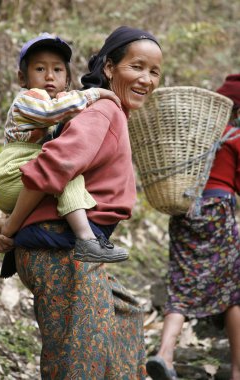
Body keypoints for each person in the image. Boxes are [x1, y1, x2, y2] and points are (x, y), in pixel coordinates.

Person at [0, 25, 163, 379]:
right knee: (78, 360)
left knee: (123, 318)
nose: (146, 79)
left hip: (68, 246)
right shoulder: (103, 111)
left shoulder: (107, 113)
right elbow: (49, 168)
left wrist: (10, 222)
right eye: (137, 66)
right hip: (60, 251)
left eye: (154, 71)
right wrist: (11, 226)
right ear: (110, 68)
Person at [0, 32, 128, 264]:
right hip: (11, 171)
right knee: (65, 171)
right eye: (39, 69)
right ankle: (86, 239)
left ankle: (18, 228)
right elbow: (51, 111)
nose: (49, 76)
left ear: (66, 79)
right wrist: (94, 94)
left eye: (57, 70)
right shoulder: (28, 99)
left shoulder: (57, 105)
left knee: (61, 174)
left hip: (19, 175)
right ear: (22, 79)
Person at [146, 74, 240, 380]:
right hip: (217, 212)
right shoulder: (234, 136)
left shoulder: (191, 134)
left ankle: (165, 355)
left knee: (181, 285)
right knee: (232, 290)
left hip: (184, 211)